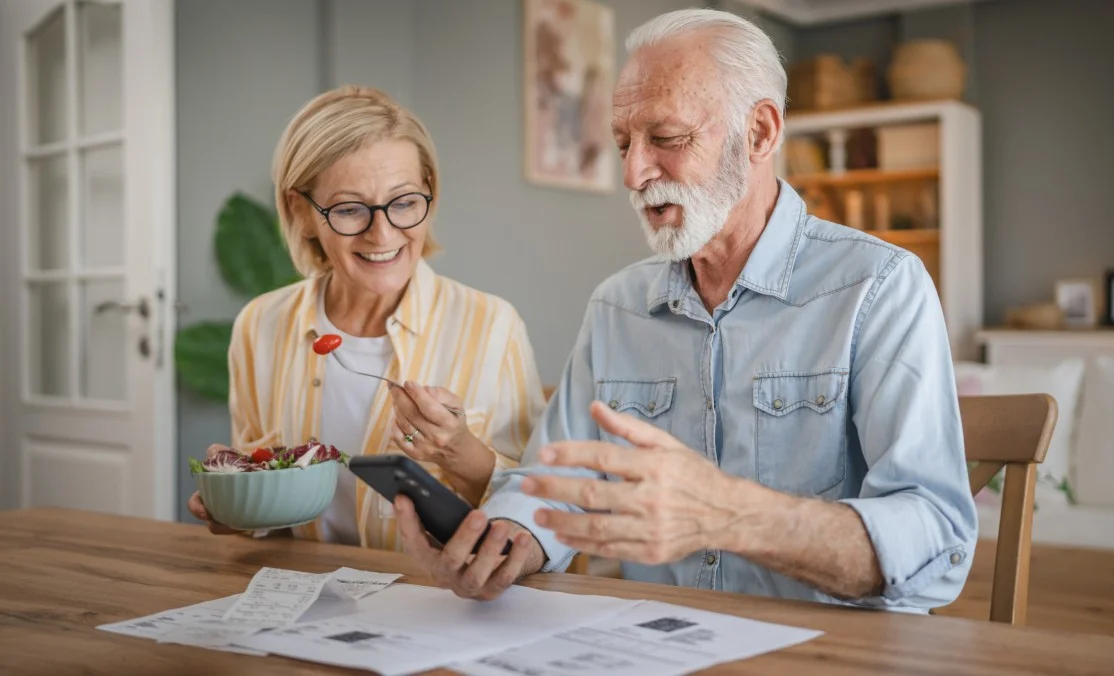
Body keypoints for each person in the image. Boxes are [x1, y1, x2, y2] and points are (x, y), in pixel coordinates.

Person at [393, 8, 978, 611]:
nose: (633, 172)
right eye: (623, 143)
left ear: (759, 133)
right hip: (656, 645)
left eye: (666, 139)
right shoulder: (617, 306)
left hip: (825, 651)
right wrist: (502, 541)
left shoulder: (879, 287)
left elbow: (936, 542)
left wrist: (733, 517)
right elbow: (555, 491)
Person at [187, 86, 547, 552]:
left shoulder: (493, 326)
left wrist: (459, 451)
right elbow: (267, 514)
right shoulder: (261, 325)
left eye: (403, 202)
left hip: (436, 599)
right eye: (350, 209)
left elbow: (537, 511)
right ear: (302, 211)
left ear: (429, 193)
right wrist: (237, 501)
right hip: (303, 594)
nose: (383, 234)